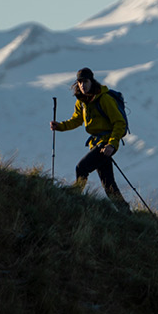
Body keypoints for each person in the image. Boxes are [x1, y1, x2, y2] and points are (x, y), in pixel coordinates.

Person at [50, 67, 130, 209]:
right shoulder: (82, 101)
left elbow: (119, 122)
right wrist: (59, 126)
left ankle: (74, 199)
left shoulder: (104, 99)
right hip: (98, 144)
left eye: (85, 81)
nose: (82, 85)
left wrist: (111, 144)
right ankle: (125, 211)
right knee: (108, 183)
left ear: (92, 81)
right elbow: (76, 120)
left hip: (106, 143)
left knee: (82, 168)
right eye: (79, 82)